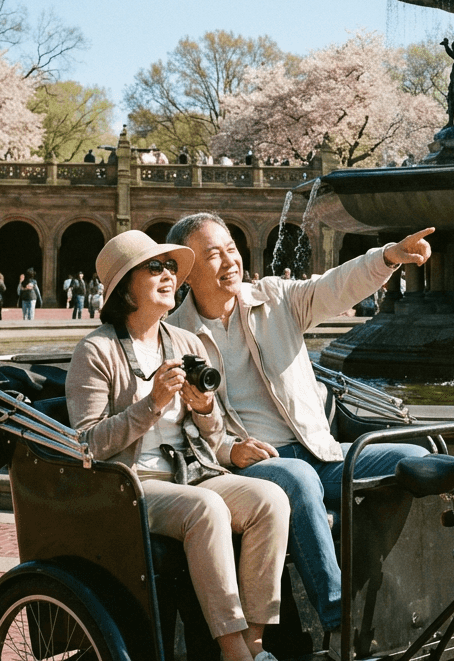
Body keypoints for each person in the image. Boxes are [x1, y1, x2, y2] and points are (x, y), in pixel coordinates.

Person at [167, 212, 431, 633]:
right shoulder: (174, 336)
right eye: (213, 255)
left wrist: (388, 257)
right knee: (298, 478)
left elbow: (333, 287)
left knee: (415, 458)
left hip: (319, 451)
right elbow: (178, 428)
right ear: (187, 272)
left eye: (232, 248)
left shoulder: (275, 298)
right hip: (254, 465)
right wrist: (230, 451)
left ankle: (378, 593)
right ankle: (337, 618)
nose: (230, 260)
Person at [66, 230, 288, 661]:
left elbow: (212, 432)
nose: (168, 274)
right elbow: (87, 444)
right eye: (154, 267)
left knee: (270, 500)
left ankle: (255, 643)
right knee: (206, 510)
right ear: (125, 286)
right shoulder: (96, 350)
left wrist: (204, 407)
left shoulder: (185, 343)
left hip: (192, 472)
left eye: (171, 266)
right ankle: (232, 651)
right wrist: (151, 405)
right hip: (132, 484)